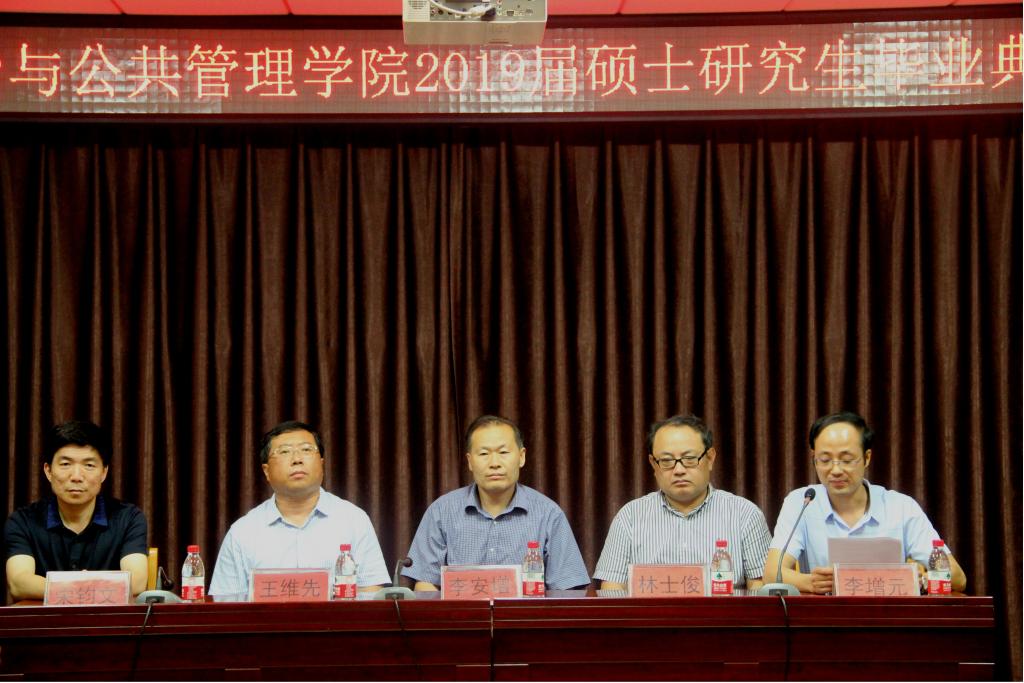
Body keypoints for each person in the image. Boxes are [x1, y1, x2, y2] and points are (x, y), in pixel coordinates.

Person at [763, 411, 967, 594]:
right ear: (814, 457)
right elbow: (772, 573)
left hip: (891, 618)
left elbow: (957, 578)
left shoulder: (902, 507)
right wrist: (810, 582)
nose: (835, 470)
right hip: (826, 618)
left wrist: (919, 580)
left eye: (846, 460)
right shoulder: (802, 502)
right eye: (824, 460)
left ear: (867, 457)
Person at [402, 415, 590, 591]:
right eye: (484, 453)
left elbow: (567, 590)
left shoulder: (548, 514)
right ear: (470, 461)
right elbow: (425, 584)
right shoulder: (442, 511)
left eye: (503, 452)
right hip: (461, 616)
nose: (494, 463)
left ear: (521, 457)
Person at [208, 420, 390, 596]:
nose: (297, 459)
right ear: (266, 471)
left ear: (322, 464)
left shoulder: (353, 520)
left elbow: (371, 596)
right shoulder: (243, 532)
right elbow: (226, 602)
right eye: (284, 451)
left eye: (306, 450)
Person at [594, 414, 771, 591]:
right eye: (666, 461)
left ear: (710, 458)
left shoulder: (745, 514)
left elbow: (760, 588)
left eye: (689, 459)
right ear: (653, 464)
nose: (679, 470)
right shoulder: (630, 517)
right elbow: (612, 589)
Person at [4, 420, 149, 600]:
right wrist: (85, 585)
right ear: (48, 471)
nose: (76, 476)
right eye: (66, 464)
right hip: (46, 618)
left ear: (104, 472)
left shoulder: (129, 518)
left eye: (89, 465)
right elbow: (19, 583)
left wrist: (71, 587)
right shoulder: (23, 521)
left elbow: (137, 582)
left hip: (108, 619)